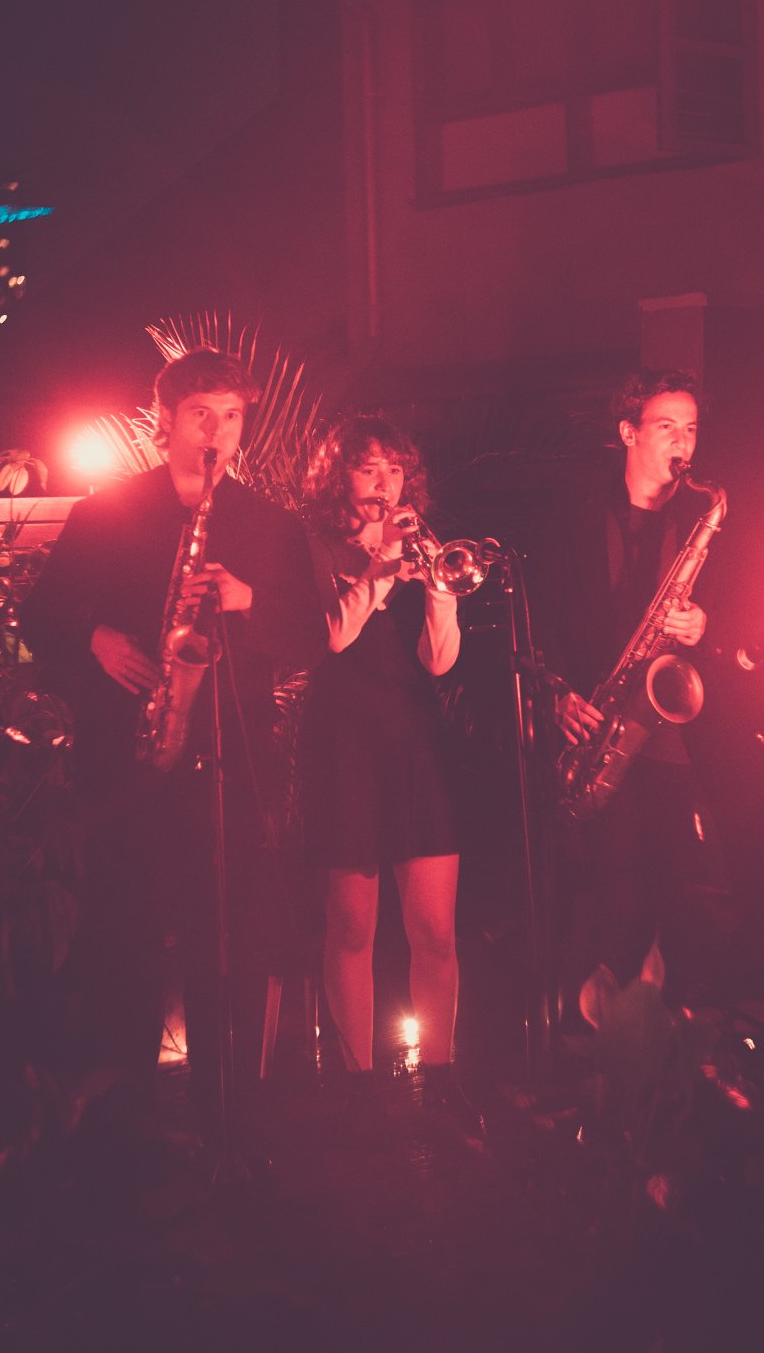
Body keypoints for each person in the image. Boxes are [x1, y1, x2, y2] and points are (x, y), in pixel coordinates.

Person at [18, 347, 326, 1136]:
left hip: (230, 761)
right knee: (123, 938)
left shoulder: (269, 523)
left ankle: (232, 1116)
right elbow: (39, 616)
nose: (217, 432)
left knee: (229, 942)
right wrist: (95, 639)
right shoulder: (107, 512)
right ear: (165, 421)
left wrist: (248, 598)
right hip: (126, 761)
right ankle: (121, 1125)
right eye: (200, 415)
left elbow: (310, 637)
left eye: (232, 416)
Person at [298, 414, 481, 1136]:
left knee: (435, 928)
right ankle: (357, 1085)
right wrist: (378, 572)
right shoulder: (318, 542)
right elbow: (332, 636)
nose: (385, 483)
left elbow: (440, 661)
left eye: (395, 469)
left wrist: (438, 590)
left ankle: (441, 1075)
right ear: (339, 474)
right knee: (352, 927)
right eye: (369, 467)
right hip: (343, 740)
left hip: (414, 742)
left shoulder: (420, 546)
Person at [527, 368, 727, 1016]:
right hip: (597, 729)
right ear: (628, 432)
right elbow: (539, 625)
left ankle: (674, 1034)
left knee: (689, 894)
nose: (683, 442)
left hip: (668, 734)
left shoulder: (701, 521)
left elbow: (742, 621)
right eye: (666, 426)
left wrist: (704, 627)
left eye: (690, 428)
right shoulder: (574, 517)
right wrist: (557, 695)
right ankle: (599, 1033)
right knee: (615, 900)